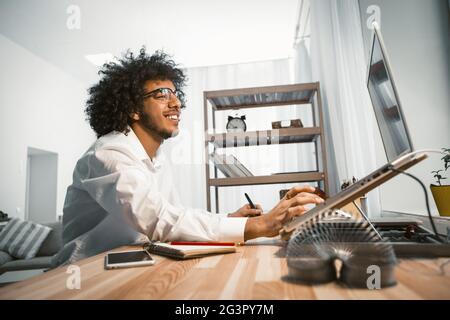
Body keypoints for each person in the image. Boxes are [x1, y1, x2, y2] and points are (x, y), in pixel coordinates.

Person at [55, 48, 324, 265]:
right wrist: (257, 225)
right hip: (86, 273)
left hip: (135, 264)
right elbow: (159, 221)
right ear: (132, 109)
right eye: (162, 94)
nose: (177, 103)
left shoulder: (156, 158)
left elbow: (173, 220)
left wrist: (232, 219)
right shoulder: (108, 155)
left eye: (176, 94)